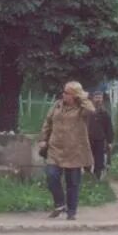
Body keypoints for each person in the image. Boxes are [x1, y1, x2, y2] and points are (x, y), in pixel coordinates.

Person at [39, 81, 95, 220]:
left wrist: (83, 97)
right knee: (51, 175)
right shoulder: (57, 105)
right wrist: (43, 139)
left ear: (74, 96)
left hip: (74, 150)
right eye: (63, 92)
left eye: (67, 93)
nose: (63, 95)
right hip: (55, 148)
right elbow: (47, 122)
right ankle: (59, 204)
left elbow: (91, 110)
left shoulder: (82, 108)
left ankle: (72, 211)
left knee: (72, 182)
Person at [86, 91, 113, 180]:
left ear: (102, 99)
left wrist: (109, 142)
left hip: (100, 139)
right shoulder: (87, 111)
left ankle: (97, 177)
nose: (98, 99)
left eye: (100, 98)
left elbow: (109, 128)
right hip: (87, 139)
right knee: (87, 159)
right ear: (93, 99)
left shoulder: (105, 113)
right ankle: (87, 176)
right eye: (96, 97)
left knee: (99, 160)